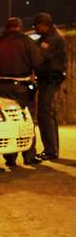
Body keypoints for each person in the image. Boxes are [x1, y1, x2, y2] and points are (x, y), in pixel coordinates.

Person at [0, 17, 44, 167]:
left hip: (2, 87)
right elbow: (37, 62)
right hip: (22, 87)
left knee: (8, 120)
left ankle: (10, 157)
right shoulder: (26, 41)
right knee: (27, 119)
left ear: (6, 27)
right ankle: (29, 155)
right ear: (19, 26)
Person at [32, 13, 67, 161]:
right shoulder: (45, 38)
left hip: (51, 79)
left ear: (45, 24)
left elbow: (40, 56)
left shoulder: (54, 39)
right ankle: (52, 150)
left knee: (44, 112)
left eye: (37, 26)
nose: (35, 28)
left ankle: (51, 150)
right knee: (48, 113)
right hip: (46, 79)